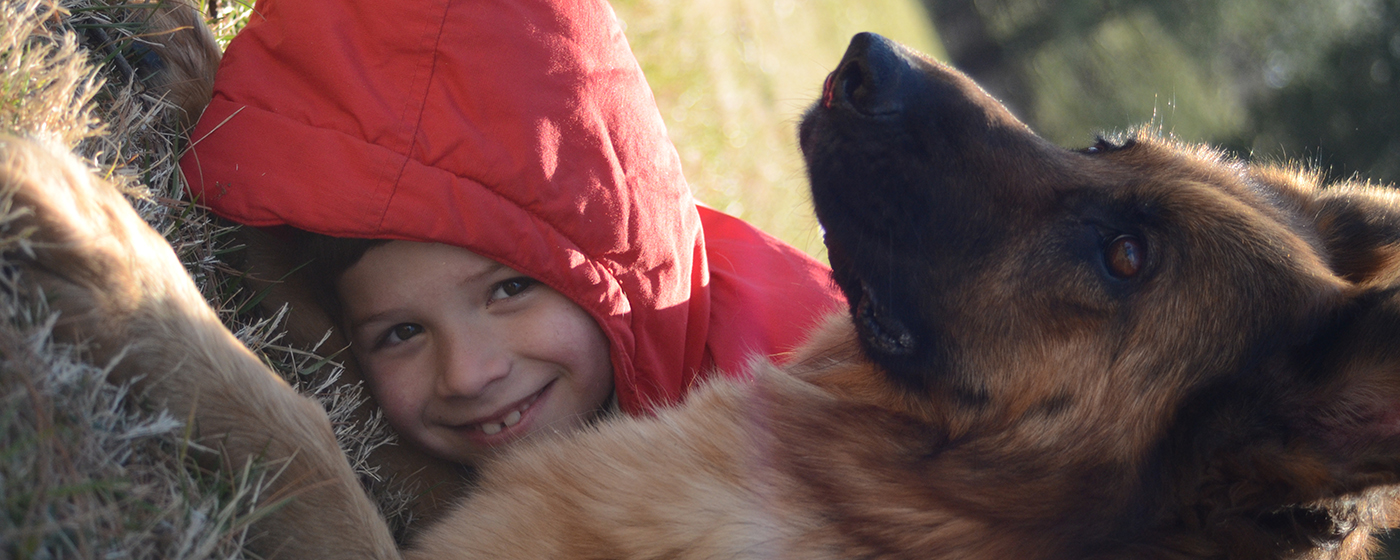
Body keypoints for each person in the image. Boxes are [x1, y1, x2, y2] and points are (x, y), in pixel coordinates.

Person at [179, 0, 843, 467]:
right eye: (401, 333)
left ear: (610, 251)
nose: (468, 374)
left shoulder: (802, 399)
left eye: (510, 289)